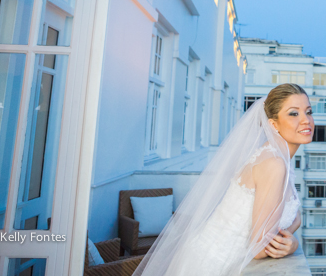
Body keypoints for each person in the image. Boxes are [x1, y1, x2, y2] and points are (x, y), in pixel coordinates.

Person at [132, 84, 314, 275]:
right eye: (294, 113)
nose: (306, 120)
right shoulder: (274, 164)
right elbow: (260, 248)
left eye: (308, 112)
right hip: (215, 265)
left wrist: (293, 228)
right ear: (273, 124)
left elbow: (294, 217)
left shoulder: (276, 156)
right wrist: (292, 245)